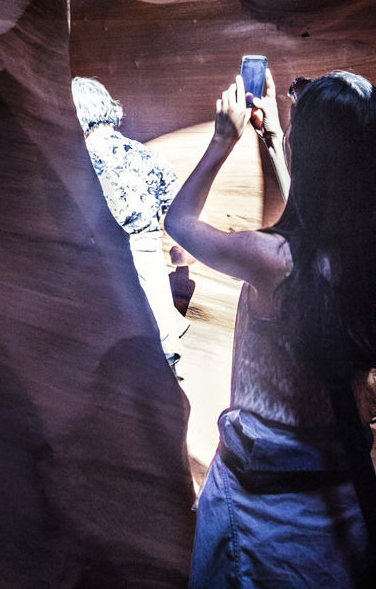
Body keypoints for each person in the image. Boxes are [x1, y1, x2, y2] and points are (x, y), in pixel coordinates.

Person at [165, 68, 376, 588]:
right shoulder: (362, 261)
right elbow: (316, 224)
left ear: (312, 155)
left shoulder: (269, 261)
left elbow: (180, 224)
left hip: (260, 502)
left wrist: (222, 139)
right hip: (339, 494)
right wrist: (277, 143)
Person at [71, 76, 188, 372]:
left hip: (99, 269)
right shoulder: (148, 155)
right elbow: (182, 219)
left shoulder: (77, 158)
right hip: (149, 260)